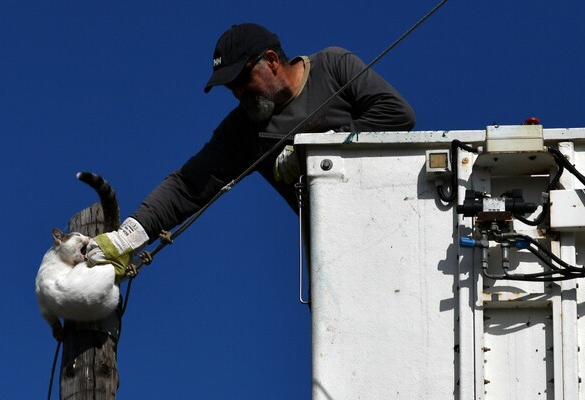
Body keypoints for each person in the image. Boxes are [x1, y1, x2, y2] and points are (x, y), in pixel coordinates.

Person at [86, 23, 416, 274]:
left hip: (401, 229)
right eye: (231, 88)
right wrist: (126, 237)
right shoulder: (244, 129)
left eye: (242, 81)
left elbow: (396, 114)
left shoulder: (333, 67)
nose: (238, 94)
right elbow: (188, 185)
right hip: (335, 258)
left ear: (271, 61)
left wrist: (313, 150)